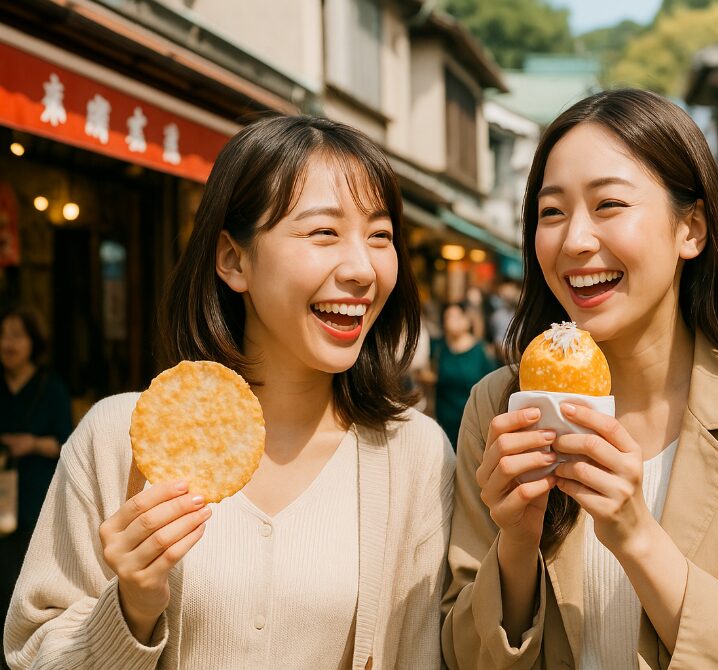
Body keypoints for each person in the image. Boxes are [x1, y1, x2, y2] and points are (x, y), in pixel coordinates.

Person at [5, 116, 454, 669]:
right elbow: (30, 653)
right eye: (323, 232)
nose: (363, 268)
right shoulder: (116, 439)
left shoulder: (415, 456)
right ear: (233, 260)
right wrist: (130, 609)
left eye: (380, 236)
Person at [441, 89, 718, 669]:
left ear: (691, 229)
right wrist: (515, 545)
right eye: (552, 212)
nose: (575, 240)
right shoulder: (499, 405)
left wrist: (637, 536)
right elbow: (461, 656)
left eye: (610, 204)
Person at [0, 306, 73, 623]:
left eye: (16, 335)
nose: (7, 343)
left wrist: (32, 444)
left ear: (33, 343)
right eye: (2, 336)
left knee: (23, 581)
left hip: (36, 497)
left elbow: (67, 443)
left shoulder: (51, 387)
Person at [432, 302, 497, 450]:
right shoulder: (439, 348)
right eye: (448, 317)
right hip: (444, 422)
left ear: (467, 320)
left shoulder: (480, 350)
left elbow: (490, 386)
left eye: (456, 316)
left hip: (472, 421)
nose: (451, 321)